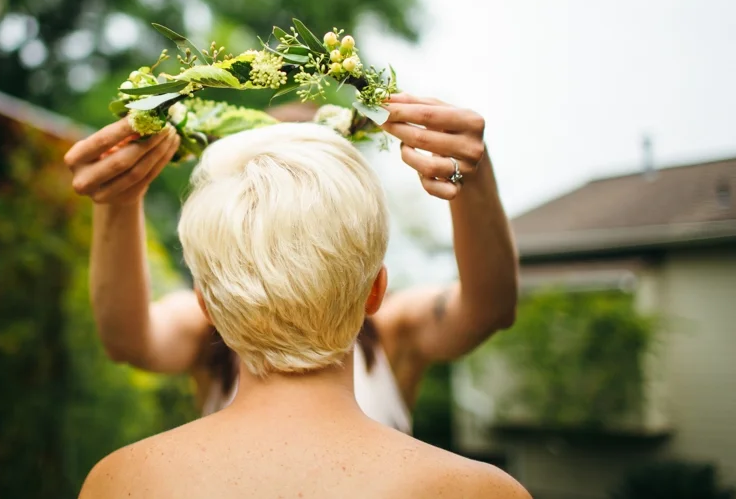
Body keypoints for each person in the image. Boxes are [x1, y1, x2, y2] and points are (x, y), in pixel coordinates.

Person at [76, 121, 529, 498]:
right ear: (375, 289)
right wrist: (469, 178)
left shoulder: (122, 483)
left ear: (207, 302)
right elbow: (129, 338)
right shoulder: (481, 491)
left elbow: (487, 307)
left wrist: (118, 198)